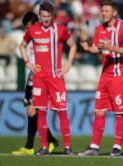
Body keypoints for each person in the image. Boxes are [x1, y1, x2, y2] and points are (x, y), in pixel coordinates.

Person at [19, 2, 77, 155]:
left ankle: (67, 147)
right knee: (41, 112)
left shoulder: (60, 30)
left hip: (56, 78)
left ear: (53, 16)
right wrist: (28, 63)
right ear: (39, 16)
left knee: (62, 112)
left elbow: (73, 45)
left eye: (48, 16)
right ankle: (44, 146)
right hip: (39, 79)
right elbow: (22, 46)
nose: (46, 19)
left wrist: (67, 65)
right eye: (43, 16)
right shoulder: (32, 30)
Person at [78, 0, 123, 157]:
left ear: (114, 12)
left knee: (120, 112)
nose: (103, 13)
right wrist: (88, 47)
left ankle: (117, 147)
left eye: (106, 11)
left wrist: (111, 47)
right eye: (102, 11)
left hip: (119, 74)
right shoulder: (99, 29)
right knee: (99, 111)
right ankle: (94, 147)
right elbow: (97, 49)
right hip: (105, 75)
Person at [12, 11, 58, 156]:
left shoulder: (43, 37)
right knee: (30, 113)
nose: (27, 30)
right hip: (31, 79)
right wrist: (27, 63)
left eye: (29, 27)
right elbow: (22, 48)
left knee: (33, 111)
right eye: (25, 28)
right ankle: (43, 142)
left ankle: (34, 145)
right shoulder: (29, 38)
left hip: (41, 79)